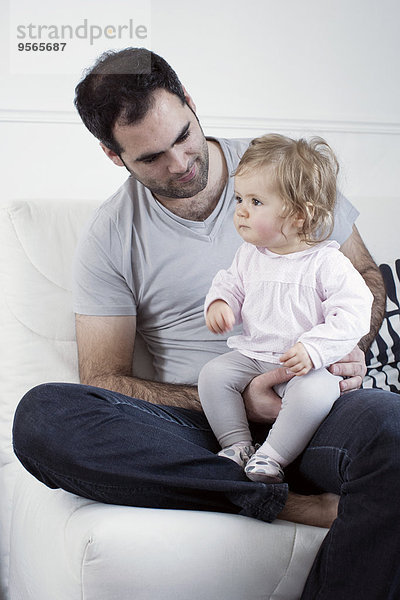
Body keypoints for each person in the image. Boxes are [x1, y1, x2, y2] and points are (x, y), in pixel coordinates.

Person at [12, 48, 400, 599]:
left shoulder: (286, 171)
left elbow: (361, 275)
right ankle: (274, 497)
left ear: (190, 102)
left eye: (183, 135)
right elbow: (102, 378)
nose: (179, 163)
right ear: (112, 154)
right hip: (205, 425)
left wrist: (345, 347)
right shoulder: (110, 235)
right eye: (151, 157)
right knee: (43, 416)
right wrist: (238, 399)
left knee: (393, 424)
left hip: (316, 400)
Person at [198, 134, 373, 483]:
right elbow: (230, 283)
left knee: (317, 393)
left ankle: (272, 456)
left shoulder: (326, 262)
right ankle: (237, 445)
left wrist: (313, 349)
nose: (241, 210)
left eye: (256, 201)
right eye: (239, 198)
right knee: (213, 376)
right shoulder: (250, 255)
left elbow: (355, 311)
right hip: (254, 355)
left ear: (297, 215)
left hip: (304, 366)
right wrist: (221, 303)